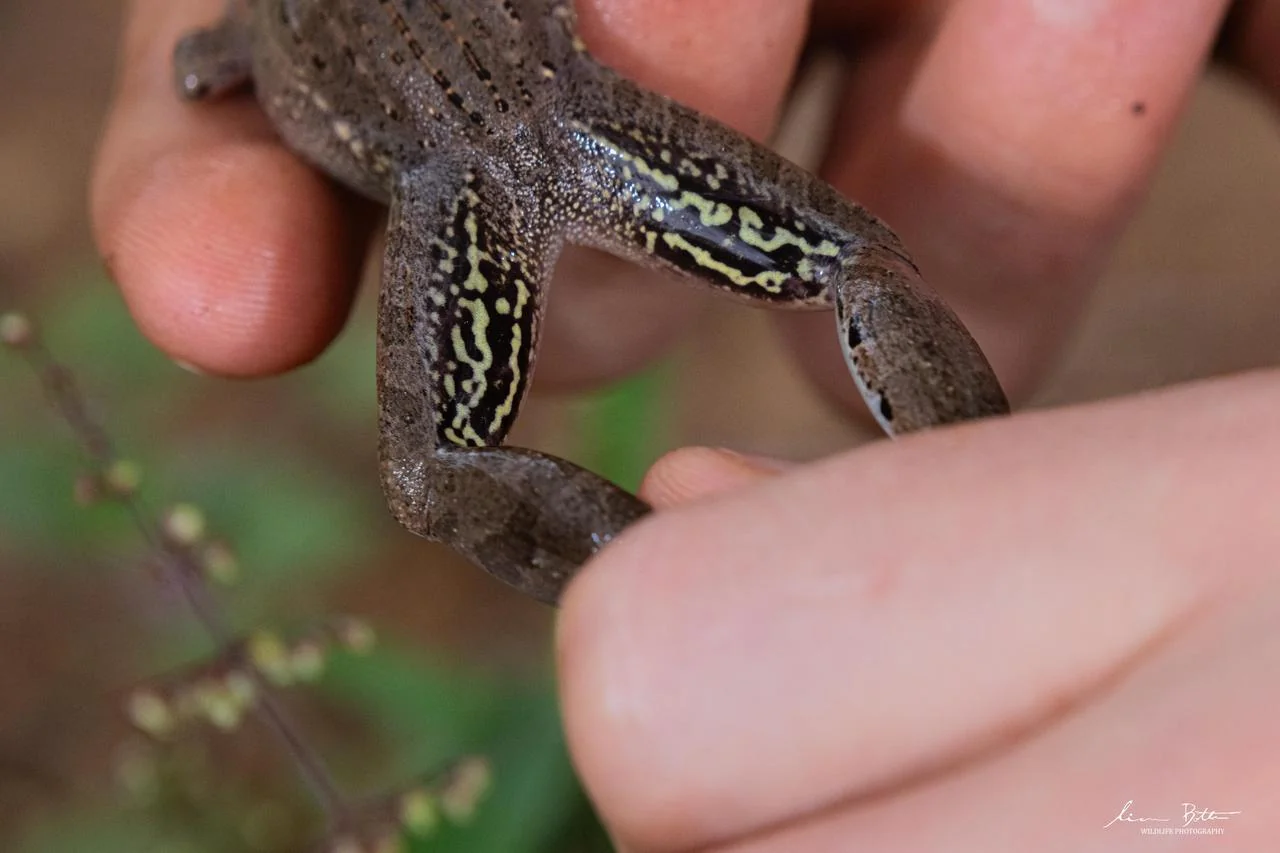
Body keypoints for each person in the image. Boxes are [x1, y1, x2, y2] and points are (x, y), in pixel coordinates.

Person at [92, 1, 1280, 849]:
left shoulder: (252, 30)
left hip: (469, 169)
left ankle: (688, 569)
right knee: (847, 262)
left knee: (432, 466)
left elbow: (199, 66)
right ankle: (929, 502)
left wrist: (232, 53)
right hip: (558, 124)